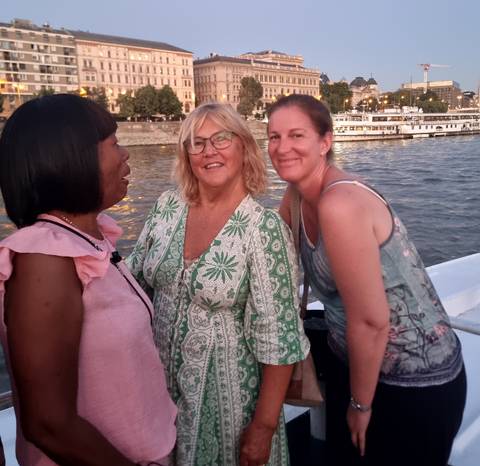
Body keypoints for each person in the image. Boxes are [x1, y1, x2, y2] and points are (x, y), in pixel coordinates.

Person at [266, 94, 466, 466]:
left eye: (296, 135)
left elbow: (372, 321)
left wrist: (360, 405)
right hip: (358, 362)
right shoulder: (294, 196)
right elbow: (268, 259)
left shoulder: (339, 204)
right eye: (274, 137)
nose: (282, 147)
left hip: (415, 383)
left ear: (325, 142)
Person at [126, 102, 310, 466]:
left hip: (229, 410)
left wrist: (262, 429)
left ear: (244, 146)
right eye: (197, 142)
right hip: (161, 400)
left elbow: (279, 341)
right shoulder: (167, 208)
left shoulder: (263, 230)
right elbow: (133, 282)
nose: (209, 151)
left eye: (221, 139)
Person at [0, 94, 177, 466]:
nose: (125, 155)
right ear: (72, 159)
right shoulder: (45, 258)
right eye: (113, 144)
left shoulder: (86, 241)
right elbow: (48, 424)